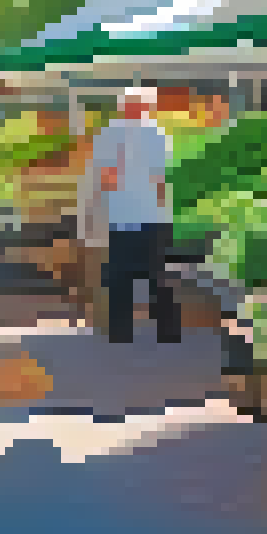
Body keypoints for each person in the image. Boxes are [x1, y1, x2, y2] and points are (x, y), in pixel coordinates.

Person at [91, 86, 180, 346]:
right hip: (153, 216)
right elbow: (162, 179)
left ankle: (120, 333)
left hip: (120, 215)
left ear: (122, 107)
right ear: (147, 107)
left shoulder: (107, 134)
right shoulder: (157, 134)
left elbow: (105, 179)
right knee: (159, 276)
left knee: (120, 278)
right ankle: (167, 332)